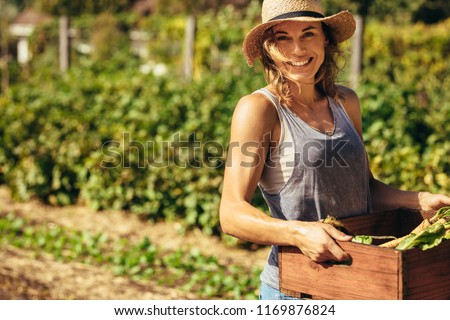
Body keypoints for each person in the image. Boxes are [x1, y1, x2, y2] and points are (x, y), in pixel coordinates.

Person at [219, 0, 450, 300]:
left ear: (325, 38)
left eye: (308, 34)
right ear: (268, 48)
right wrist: (299, 233)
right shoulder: (259, 109)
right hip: (299, 288)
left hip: (359, 280)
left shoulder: (346, 102)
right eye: (283, 38)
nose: (298, 50)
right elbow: (231, 213)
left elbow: (363, 189)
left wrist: (418, 201)